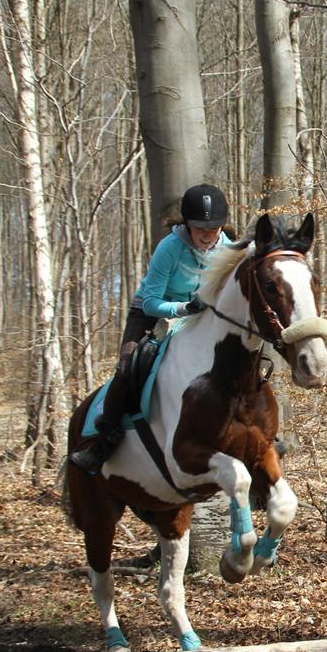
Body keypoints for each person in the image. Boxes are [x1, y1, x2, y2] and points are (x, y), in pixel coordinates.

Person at [70, 183, 241, 475]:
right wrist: (184, 309)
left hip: (200, 315)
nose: (207, 234)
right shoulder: (170, 248)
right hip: (151, 314)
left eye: (213, 228)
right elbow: (151, 302)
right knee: (128, 368)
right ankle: (103, 444)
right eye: (200, 227)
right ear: (187, 223)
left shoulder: (228, 247)